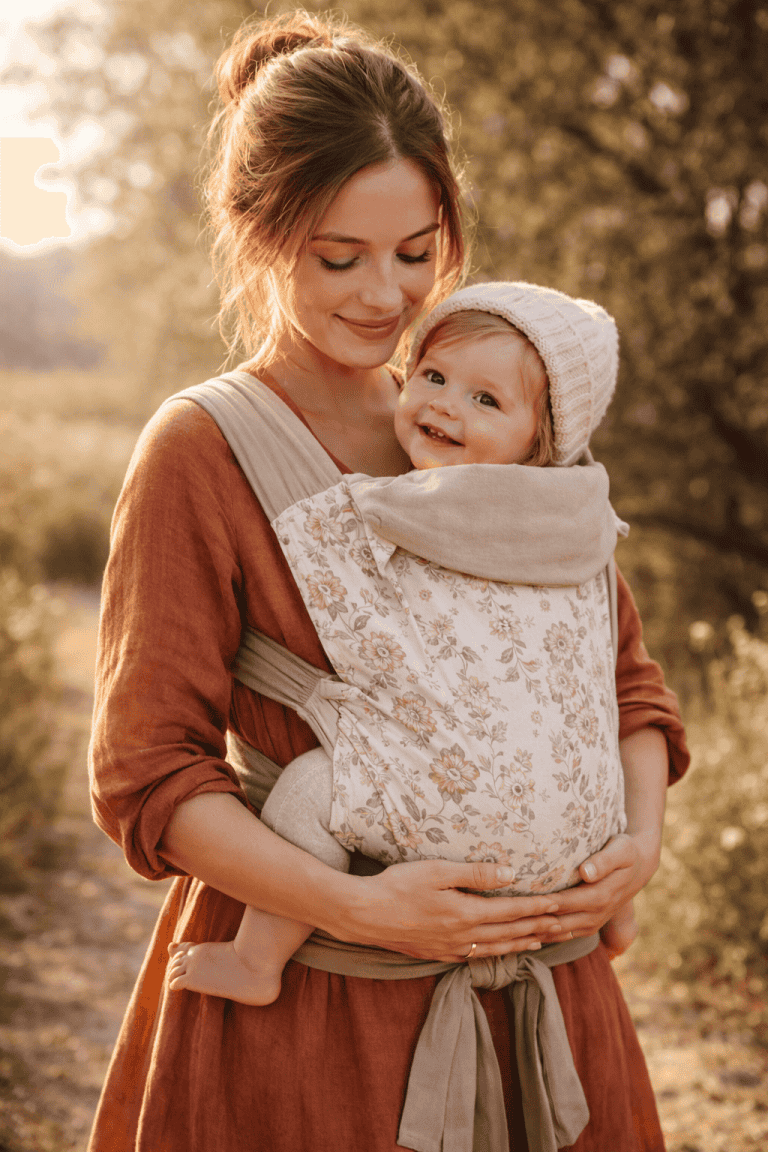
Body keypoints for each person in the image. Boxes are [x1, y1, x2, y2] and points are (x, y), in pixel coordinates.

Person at [87, 11, 689, 1152]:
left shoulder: (503, 425)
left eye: (417, 251)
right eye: (339, 257)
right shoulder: (203, 453)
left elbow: (627, 682)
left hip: (550, 1000)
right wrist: (361, 904)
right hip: (322, 1016)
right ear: (258, 231)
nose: (386, 296)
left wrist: (637, 848)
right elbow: (148, 774)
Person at [165, 280, 640, 1009]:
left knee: (311, 790)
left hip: (442, 822)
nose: (447, 405)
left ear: (541, 443)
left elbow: (341, 546)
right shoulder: (582, 526)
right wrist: (634, 853)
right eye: (435, 376)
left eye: (486, 400)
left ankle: (258, 958)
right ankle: (609, 892)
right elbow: (619, 683)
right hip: (585, 840)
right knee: (582, 742)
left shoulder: (413, 503)